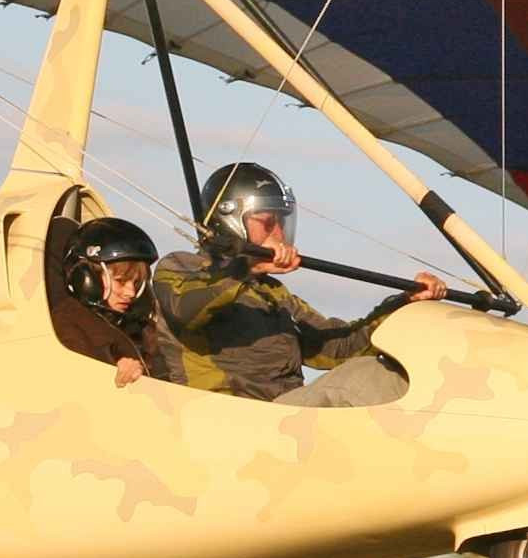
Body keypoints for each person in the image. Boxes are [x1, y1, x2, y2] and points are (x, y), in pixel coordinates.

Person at [151, 162, 442, 407]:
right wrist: (245, 267)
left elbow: (336, 348)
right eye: (268, 222)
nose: (278, 232)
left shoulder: (272, 293)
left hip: (282, 421)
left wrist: (404, 303)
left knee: (388, 374)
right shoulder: (181, 267)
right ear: (231, 220)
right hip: (224, 418)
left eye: (282, 222)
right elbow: (186, 310)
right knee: (364, 378)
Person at [48, 214, 180, 388]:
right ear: (87, 279)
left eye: (136, 283)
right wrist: (113, 371)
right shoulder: (68, 327)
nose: (130, 292)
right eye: (121, 281)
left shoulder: (143, 330)